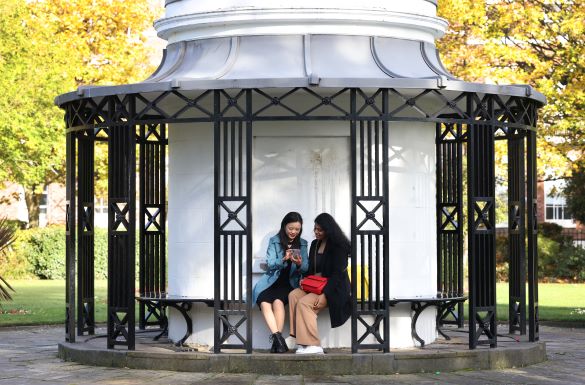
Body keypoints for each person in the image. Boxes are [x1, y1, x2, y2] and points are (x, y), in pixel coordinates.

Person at [288, 213, 351, 354]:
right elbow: (311, 269)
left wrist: (325, 295)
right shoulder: (315, 244)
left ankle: (314, 345)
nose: (316, 232)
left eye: (320, 230)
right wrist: (302, 273)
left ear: (328, 230)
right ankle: (302, 341)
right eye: (315, 229)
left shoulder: (338, 246)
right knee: (293, 295)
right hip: (315, 285)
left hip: (332, 288)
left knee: (304, 303)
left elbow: (337, 275)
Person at [252, 212, 309, 353]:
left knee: (278, 302)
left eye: (297, 229)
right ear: (284, 226)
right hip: (271, 281)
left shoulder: (302, 244)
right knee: (264, 302)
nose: (294, 232)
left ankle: (277, 343)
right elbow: (271, 264)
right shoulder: (274, 241)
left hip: (289, 283)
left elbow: (306, 268)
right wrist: (283, 258)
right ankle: (279, 341)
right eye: (291, 228)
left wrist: (300, 263)